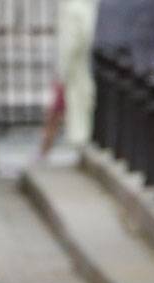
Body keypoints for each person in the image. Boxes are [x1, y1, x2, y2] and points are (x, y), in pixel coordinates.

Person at [38, 0, 99, 165]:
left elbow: (69, 45)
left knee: (60, 111)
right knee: (66, 111)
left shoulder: (72, 9)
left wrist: (62, 73)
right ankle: (45, 151)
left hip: (74, 72)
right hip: (82, 69)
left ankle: (45, 151)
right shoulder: (88, 6)